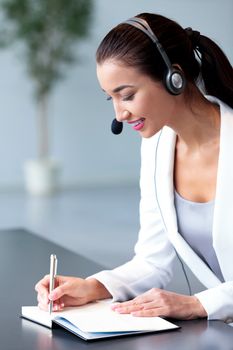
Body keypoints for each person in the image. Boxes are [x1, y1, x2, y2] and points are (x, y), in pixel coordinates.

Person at [35, 12, 233, 322]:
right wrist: (92, 287)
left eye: (127, 95)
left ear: (174, 77)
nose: (119, 114)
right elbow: (153, 261)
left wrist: (199, 304)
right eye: (110, 99)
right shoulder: (156, 147)